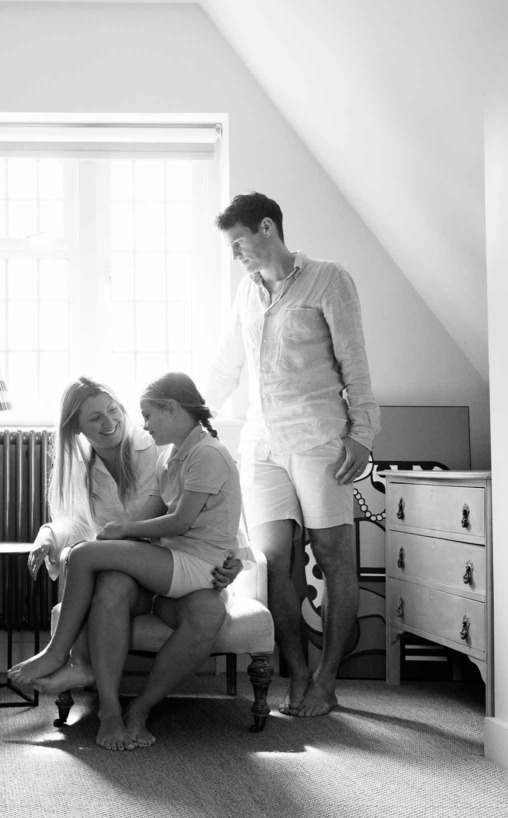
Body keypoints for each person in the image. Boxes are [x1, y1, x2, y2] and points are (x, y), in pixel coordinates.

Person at [9, 373, 246, 749]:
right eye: (95, 418)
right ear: (77, 428)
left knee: (206, 613)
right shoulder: (121, 462)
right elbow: (78, 521)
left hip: (183, 563)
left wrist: (236, 560)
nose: (111, 422)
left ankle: (135, 703)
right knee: (110, 578)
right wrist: (49, 536)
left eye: (113, 410)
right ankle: (109, 710)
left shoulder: (165, 446)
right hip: (142, 567)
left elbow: (214, 511)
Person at [210, 191, 380, 717]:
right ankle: (297, 672)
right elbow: (227, 364)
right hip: (261, 444)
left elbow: (354, 362)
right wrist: (192, 419)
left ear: (267, 228)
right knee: (273, 561)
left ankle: (327, 680)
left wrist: (363, 435)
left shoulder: (329, 278)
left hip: (319, 438)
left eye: (239, 242)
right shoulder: (246, 291)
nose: (236, 253)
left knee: (332, 559)